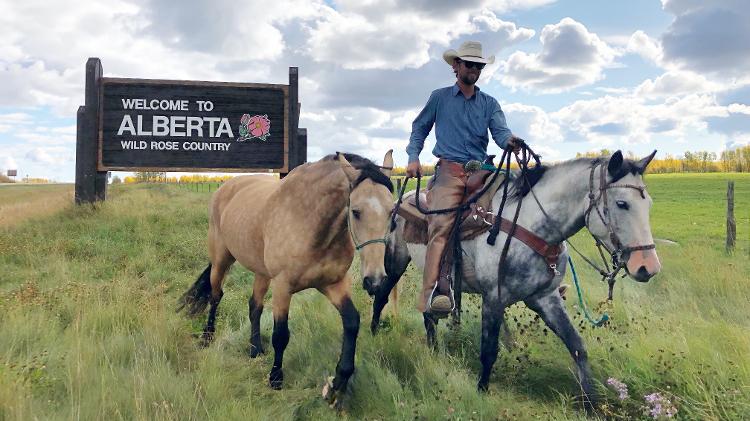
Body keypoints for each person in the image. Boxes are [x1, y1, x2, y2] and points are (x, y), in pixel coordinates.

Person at [406, 40, 520, 317]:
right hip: (449, 172)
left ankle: (536, 276)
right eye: (469, 64)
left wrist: (510, 142)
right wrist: (412, 157)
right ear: (456, 66)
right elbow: (419, 128)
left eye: (479, 65)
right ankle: (433, 292)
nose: (474, 70)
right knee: (441, 225)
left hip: (482, 170)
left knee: (518, 202)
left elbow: (501, 133)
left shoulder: (490, 103)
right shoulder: (439, 98)